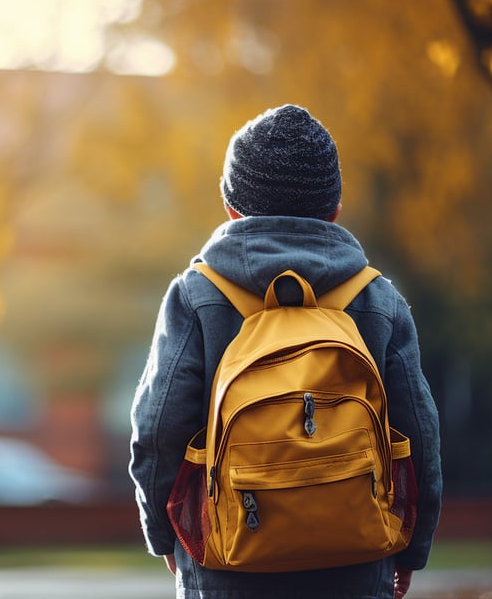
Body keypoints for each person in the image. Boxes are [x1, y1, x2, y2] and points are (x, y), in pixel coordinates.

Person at [128, 104, 442, 599]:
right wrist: (412, 548)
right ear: (335, 209)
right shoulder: (377, 299)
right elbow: (420, 433)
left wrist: (166, 535)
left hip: (227, 563)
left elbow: (158, 428)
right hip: (357, 562)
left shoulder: (196, 295)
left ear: (232, 208)